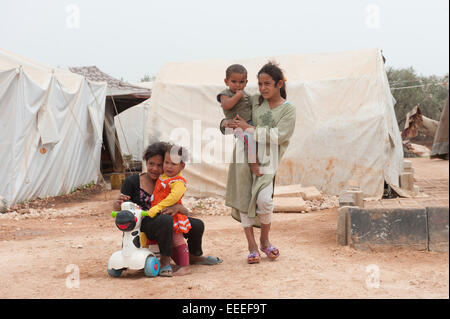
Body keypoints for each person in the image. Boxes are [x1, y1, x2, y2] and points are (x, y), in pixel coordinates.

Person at [222, 61, 296, 264]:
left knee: (265, 200)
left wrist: (249, 129)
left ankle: (264, 239)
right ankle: (252, 246)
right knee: (245, 201)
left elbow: (280, 136)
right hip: (242, 157)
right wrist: (226, 124)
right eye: (260, 83)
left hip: (267, 163)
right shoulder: (255, 100)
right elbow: (232, 114)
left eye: (267, 84)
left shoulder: (288, 110)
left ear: (279, 84)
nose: (262, 88)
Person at [113, 142, 222, 277]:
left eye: (160, 165)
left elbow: (183, 209)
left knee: (197, 224)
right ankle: (165, 260)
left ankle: (193, 256)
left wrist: (178, 207)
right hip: (144, 224)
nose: (155, 168)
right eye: (151, 163)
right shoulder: (133, 182)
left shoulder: (169, 181)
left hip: (168, 220)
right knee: (165, 220)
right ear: (146, 162)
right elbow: (123, 210)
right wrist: (117, 205)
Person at [147, 144, 191, 276]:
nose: (169, 166)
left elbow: (174, 197)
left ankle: (185, 266)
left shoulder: (178, 181)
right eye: (166, 162)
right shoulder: (164, 177)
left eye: (173, 164)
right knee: (171, 240)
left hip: (174, 215)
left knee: (178, 240)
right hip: (164, 215)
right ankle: (177, 262)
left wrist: (158, 207)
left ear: (182, 166)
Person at [217, 64, 261, 176]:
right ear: (226, 81)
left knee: (258, 139)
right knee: (249, 139)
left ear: (246, 82)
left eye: (241, 82)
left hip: (249, 123)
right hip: (236, 125)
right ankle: (253, 164)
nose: (238, 85)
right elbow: (226, 105)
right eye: (234, 81)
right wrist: (237, 96)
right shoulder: (225, 94)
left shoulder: (247, 95)